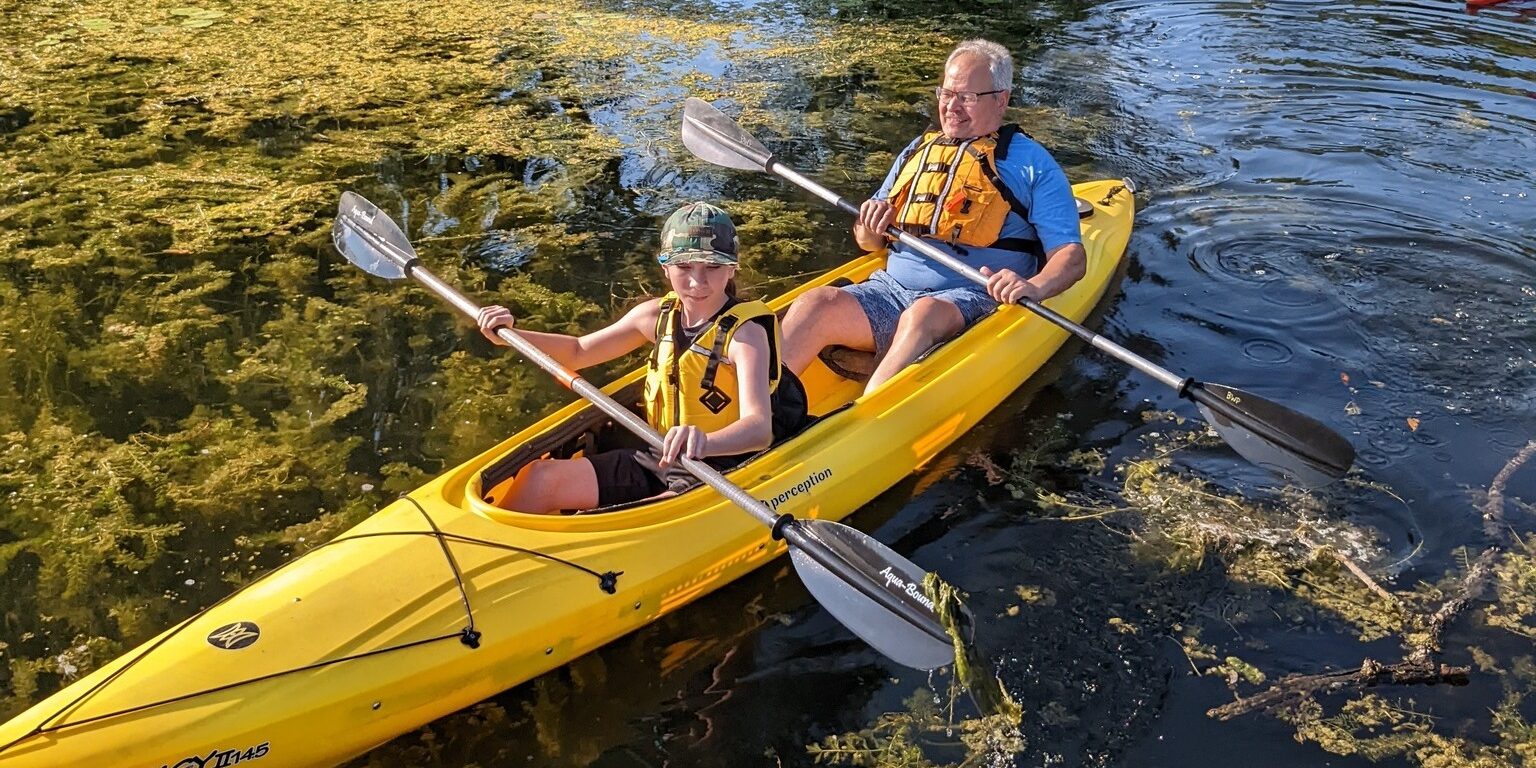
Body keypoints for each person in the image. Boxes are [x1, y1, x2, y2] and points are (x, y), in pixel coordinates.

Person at [781, 39, 1088, 394]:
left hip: (971, 294)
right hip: (891, 290)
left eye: (967, 97)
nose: (951, 107)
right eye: (946, 93)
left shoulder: (1033, 164)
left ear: (1001, 99)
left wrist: (1032, 287)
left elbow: (1071, 257)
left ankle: (866, 417)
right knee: (816, 303)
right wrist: (869, 223)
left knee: (923, 314)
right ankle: (760, 414)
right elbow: (869, 244)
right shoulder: (918, 151)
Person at [476, 202, 807, 514]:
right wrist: (511, 336)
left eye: (713, 267)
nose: (697, 281)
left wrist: (703, 442)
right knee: (539, 478)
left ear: (732, 268)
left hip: (719, 465)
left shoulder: (745, 336)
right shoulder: (654, 316)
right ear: (665, 267)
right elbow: (578, 352)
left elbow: (759, 429)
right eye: (684, 266)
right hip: (658, 450)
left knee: (637, 515)